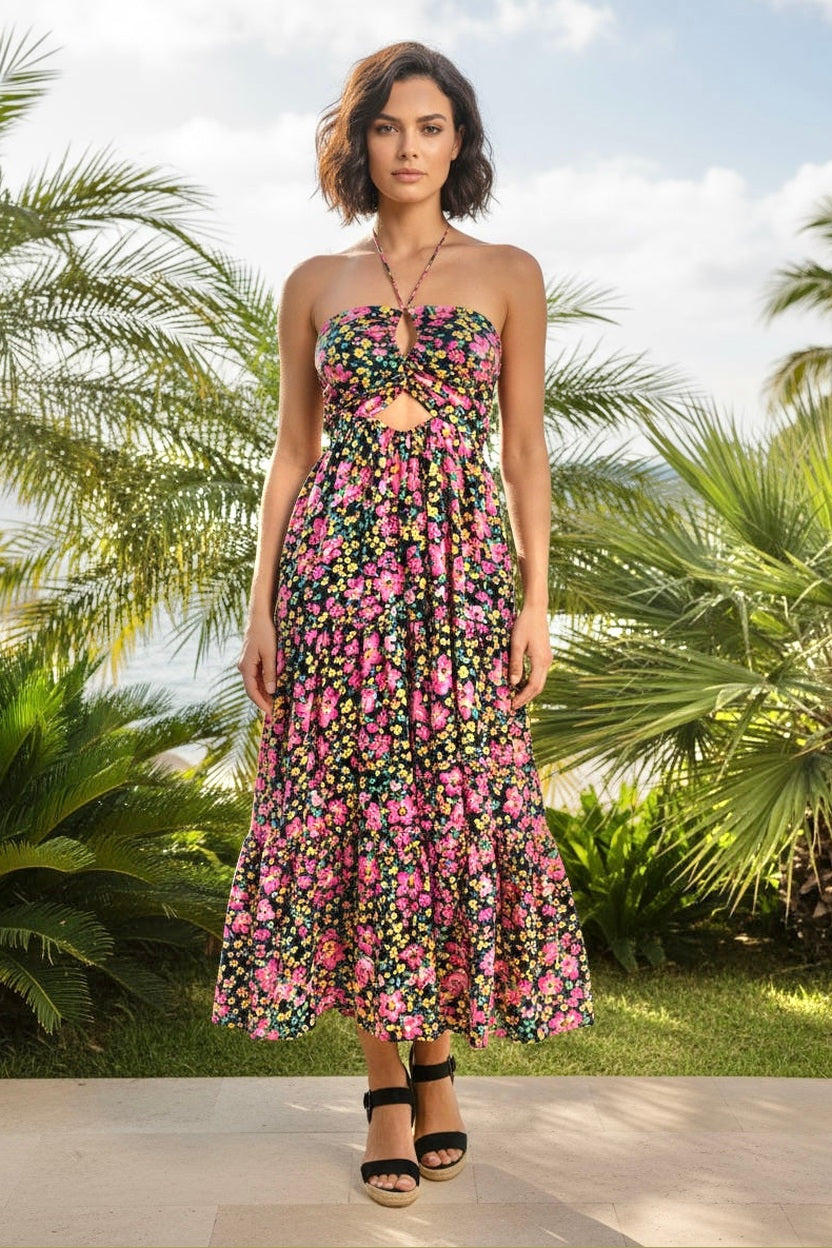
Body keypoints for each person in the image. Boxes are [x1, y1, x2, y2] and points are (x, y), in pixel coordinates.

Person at [211, 40, 594, 1208]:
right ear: (357, 142)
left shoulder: (510, 272)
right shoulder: (313, 284)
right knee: (351, 807)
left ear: (459, 143)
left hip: (463, 576)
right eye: (388, 128)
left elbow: (524, 453)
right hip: (337, 577)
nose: (410, 147)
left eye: (431, 128)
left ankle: (437, 1053)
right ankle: (389, 1082)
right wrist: (262, 602)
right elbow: (291, 453)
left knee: (451, 803)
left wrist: (537, 600)